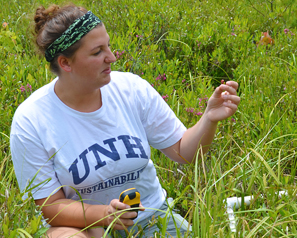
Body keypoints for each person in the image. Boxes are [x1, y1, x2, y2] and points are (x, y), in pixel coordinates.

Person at [10, 4, 240, 238]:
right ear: (65, 63)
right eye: (97, 52)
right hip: (86, 227)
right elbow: (50, 207)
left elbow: (183, 152)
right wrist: (104, 214)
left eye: (108, 45)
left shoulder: (131, 89)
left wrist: (209, 118)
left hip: (151, 216)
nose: (111, 57)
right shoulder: (32, 119)